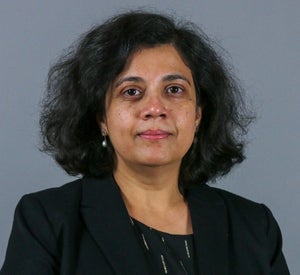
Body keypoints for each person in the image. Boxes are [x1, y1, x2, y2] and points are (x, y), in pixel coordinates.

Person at [1, 10, 289, 275]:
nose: (155, 107)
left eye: (174, 89)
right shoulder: (47, 221)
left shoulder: (254, 227)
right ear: (102, 117)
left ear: (199, 114)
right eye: (131, 91)